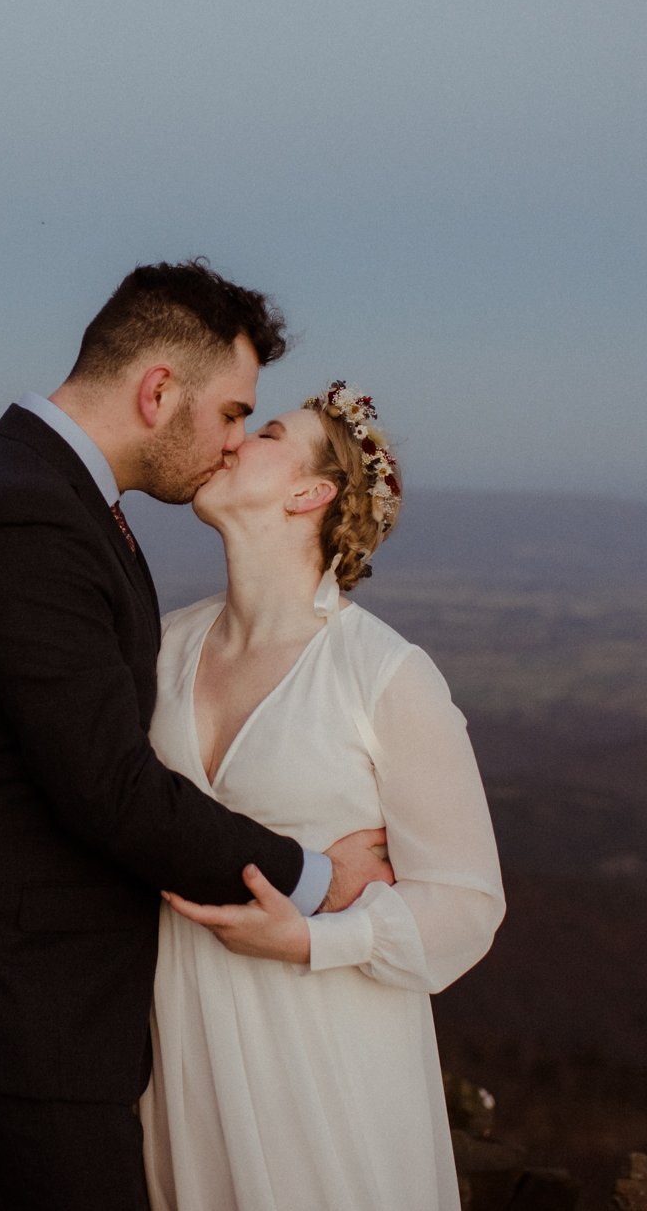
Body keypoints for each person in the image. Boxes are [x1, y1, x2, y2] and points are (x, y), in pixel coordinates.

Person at [0, 262, 394, 1210]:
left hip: (37, 1016)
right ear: (156, 391)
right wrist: (316, 877)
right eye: (232, 414)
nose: (231, 445)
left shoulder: (52, 494)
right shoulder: (28, 514)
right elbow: (109, 787)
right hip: (6, 1018)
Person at [138, 379, 506, 1210]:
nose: (231, 439)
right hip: (187, 1057)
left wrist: (312, 939)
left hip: (325, 1062)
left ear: (312, 492)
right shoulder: (160, 649)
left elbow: (468, 903)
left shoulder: (384, 674)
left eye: (264, 432)